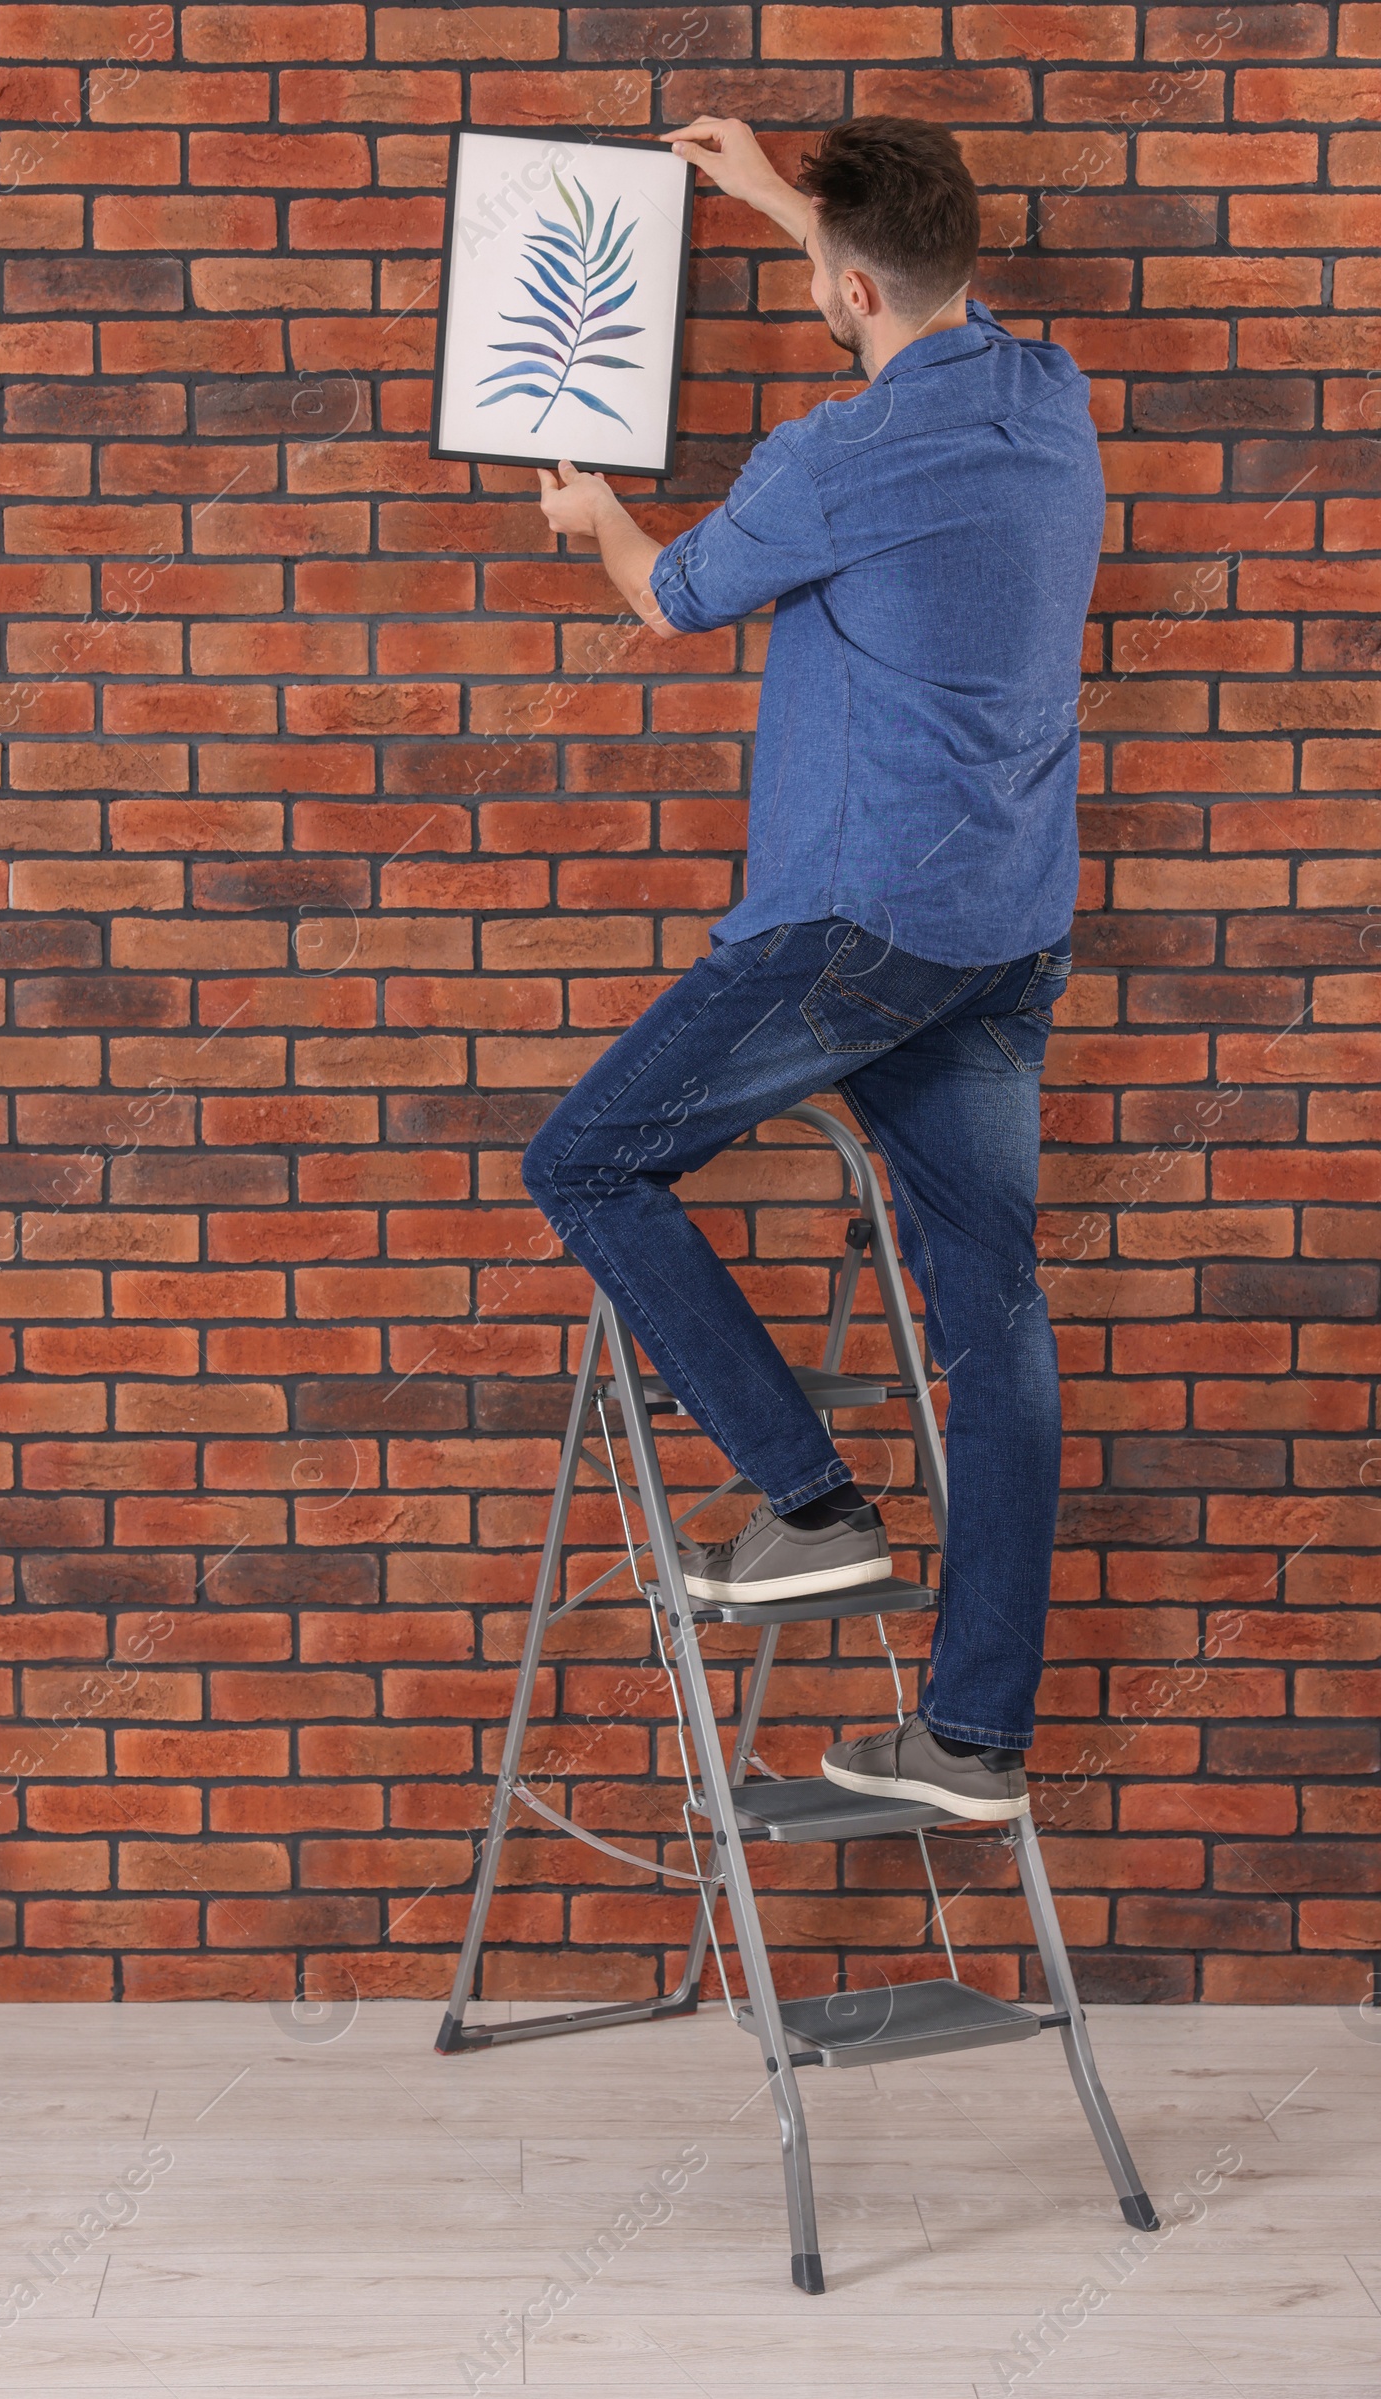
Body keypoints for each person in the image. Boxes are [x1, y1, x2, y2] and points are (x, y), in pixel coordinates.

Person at [520, 116, 1105, 1825]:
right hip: (1003, 934)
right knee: (991, 1319)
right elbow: (901, 281)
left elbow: (675, 599)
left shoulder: (828, 459)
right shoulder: (1050, 399)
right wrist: (790, 200)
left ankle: (811, 1504)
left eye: (810, 273)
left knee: (587, 1158)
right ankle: (978, 1739)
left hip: (852, 926)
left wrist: (598, 514)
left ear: (850, 290)